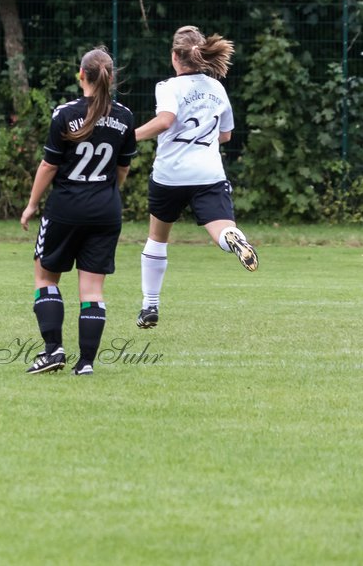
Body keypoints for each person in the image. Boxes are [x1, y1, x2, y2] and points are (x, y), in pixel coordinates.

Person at [20, 47, 138, 376]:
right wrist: (103, 193)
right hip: (106, 211)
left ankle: (52, 350)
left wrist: (31, 205)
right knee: (93, 291)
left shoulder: (65, 114)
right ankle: (85, 363)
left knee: (45, 277)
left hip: (66, 208)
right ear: (110, 78)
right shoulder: (125, 117)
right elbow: (122, 170)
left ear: (81, 75)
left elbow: (48, 165)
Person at [133, 26, 258, 331]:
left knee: (157, 238)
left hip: (170, 175)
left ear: (175, 56)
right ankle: (235, 239)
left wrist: (128, 136)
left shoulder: (168, 86)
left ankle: (150, 305)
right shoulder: (217, 89)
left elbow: (165, 121)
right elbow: (225, 135)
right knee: (222, 229)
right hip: (208, 173)